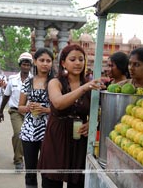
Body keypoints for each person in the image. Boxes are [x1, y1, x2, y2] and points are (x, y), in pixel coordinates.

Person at [38, 44, 105, 188]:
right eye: (73, 59)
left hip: (78, 139)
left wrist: (92, 123)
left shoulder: (90, 85)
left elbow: (98, 113)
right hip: (56, 138)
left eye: (81, 59)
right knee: (52, 181)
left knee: (77, 183)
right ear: (63, 63)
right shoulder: (55, 82)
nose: (78, 63)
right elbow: (58, 103)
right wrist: (83, 88)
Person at [18, 48, 54, 188]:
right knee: (31, 170)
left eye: (48, 61)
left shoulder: (55, 82)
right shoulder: (28, 82)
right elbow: (19, 107)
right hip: (29, 131)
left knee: (48, 170)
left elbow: (60, 108)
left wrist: (45, 109)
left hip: (49, 130)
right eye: (42, 60)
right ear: (35, 62)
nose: (45, 64)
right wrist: (28, 108)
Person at [0, 52, 33, 170]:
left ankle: (20, 155)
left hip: (30, 112)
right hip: (15, 111)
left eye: (28, 65)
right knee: (19, 133)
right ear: (20, 65)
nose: (26, 67)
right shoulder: (12, 79)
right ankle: (18, 159)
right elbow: (6, 96)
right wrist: (0, 111)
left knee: (27, 136)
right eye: (24, 64)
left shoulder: (34, 80)